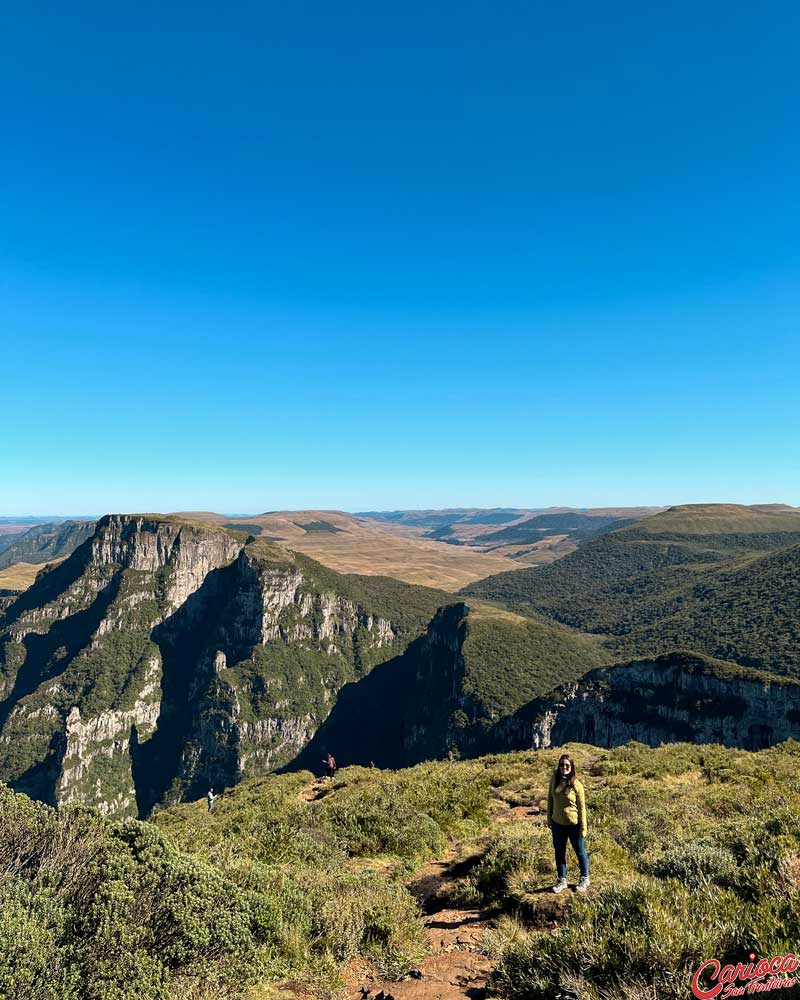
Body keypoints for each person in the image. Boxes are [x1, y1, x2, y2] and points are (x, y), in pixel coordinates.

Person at [547, 752, 590, 893]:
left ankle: (585, 878)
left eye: (567, 765)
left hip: (574, 825)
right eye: (561, 765)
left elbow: (582, 808)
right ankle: (562, 880)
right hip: (557, 824)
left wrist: (583, 828)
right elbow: (550, 800)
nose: (564, 767)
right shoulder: (554, 780)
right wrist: (549, 819)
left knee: (580, 852)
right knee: (559, 852)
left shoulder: (576, 785)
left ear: (571, 767)